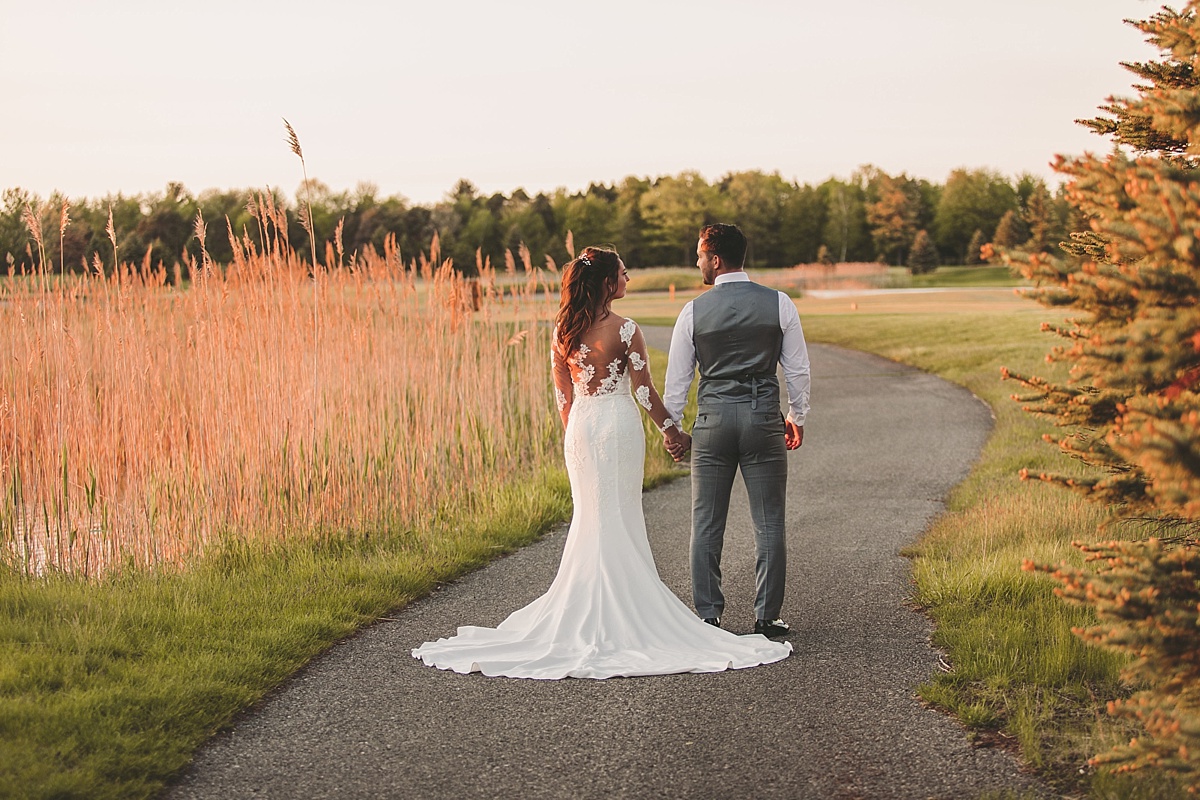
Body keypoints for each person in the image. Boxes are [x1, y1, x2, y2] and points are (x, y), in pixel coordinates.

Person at [412, 246, 791, 679]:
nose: (628, 279)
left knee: (590, 516)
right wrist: (674, 433)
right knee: (619, 514)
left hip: (582, 431)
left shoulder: (562, 329)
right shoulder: (626, 329)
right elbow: (644, 392)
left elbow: (563, 398)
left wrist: (578, 433)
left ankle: (588, 606)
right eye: (625, 274)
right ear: (608, 283)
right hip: (616, 425)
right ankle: (625, 611)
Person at [664, 224, 810, 638]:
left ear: (716, 259)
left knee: (706, 522)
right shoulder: (779, 304)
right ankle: (767, 617)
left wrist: (673, 429)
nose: (696, 263)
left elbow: (678, 382)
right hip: (763, 420)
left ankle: (708, 616)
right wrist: (797, 416)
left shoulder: (692, 311)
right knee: (769, 521)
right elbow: (797, 368)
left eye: (699, 255)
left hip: (712, 424)